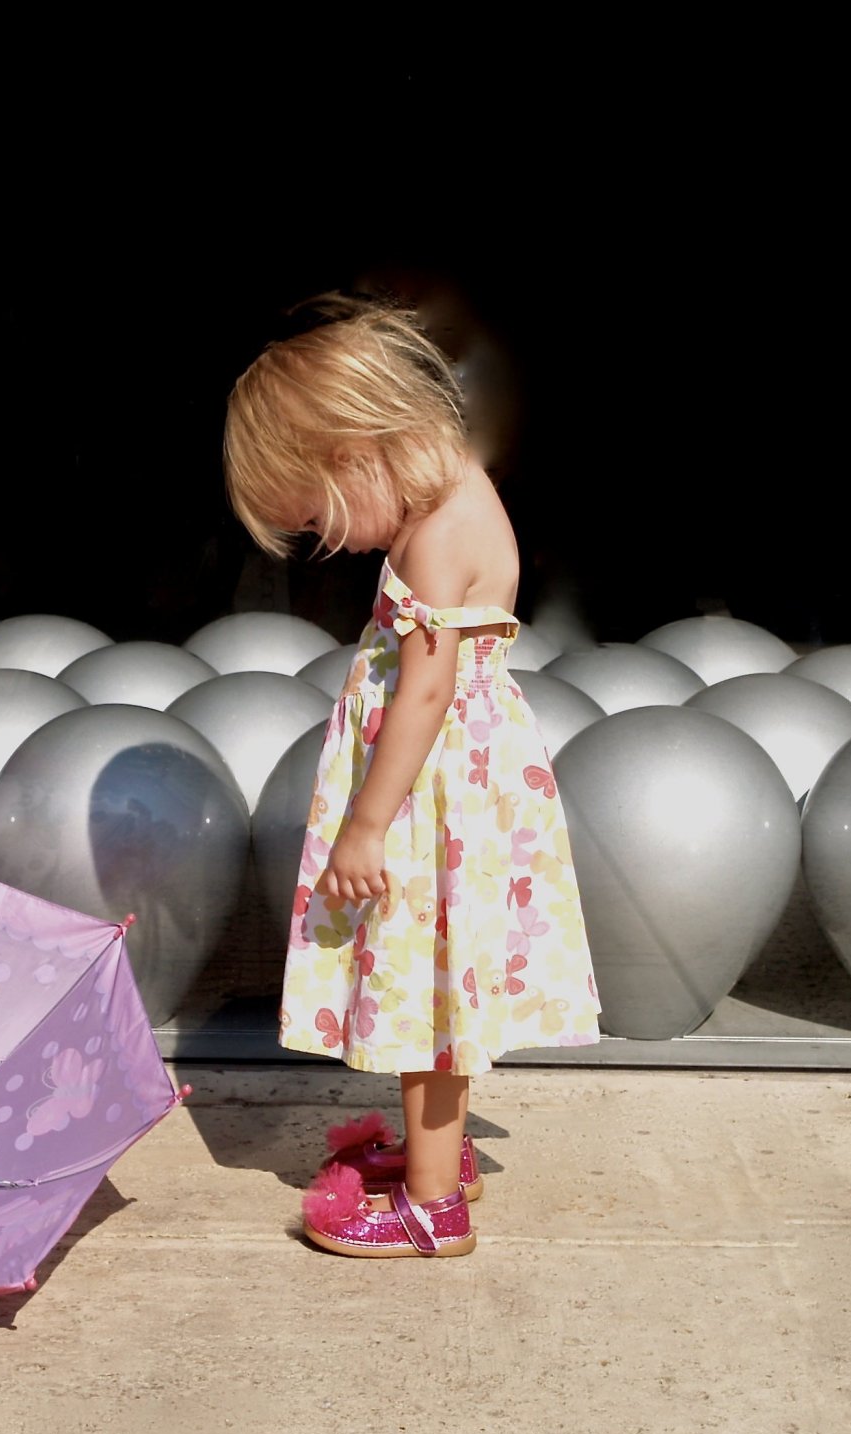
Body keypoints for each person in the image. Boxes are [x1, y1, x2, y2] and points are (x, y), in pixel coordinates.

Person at [222, 291, 602, 1259]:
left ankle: (433, 1205)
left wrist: (364, 824)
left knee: (424, 997)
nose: (331, 545)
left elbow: (425, 696)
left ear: (356, 450)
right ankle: (441, 1156)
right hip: (454, 791)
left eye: (318, 518)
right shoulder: (460, 496)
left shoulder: (434, 539)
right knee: (438, 987)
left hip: (426, 797)